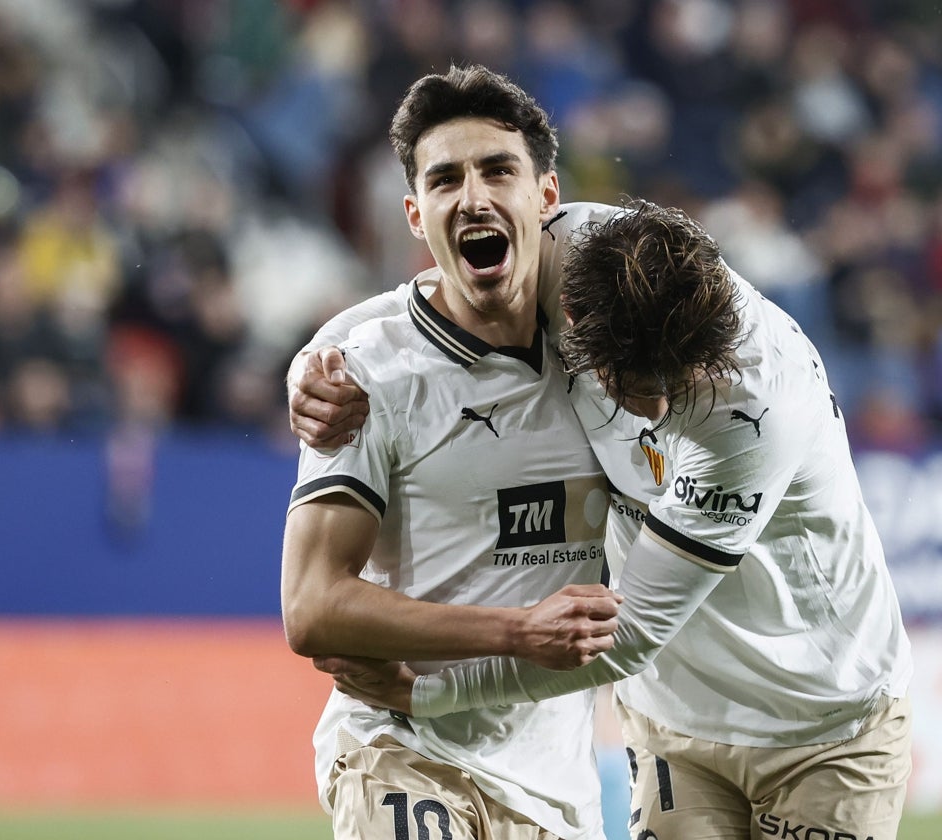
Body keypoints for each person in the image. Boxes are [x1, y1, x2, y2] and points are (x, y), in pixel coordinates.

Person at [292, 201, 914, 840]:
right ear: (573, 319)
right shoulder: (568, 247)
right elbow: (426, 297)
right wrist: (316, 368)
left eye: (675, 380)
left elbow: (633, 631)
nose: (654, 407)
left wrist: (425, 695)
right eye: (633, 382)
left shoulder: (753, 412)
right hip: (673, 720)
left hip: (822, 718)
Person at [282, 65, 623, 840]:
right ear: (415, 215)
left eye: (498, 169)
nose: (472, 196)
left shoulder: (613, 357)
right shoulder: (365, 377)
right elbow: (310, 608)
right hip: (403, 745)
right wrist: (516, 630)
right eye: (444, 180)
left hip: (554, 786)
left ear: (546, 196)